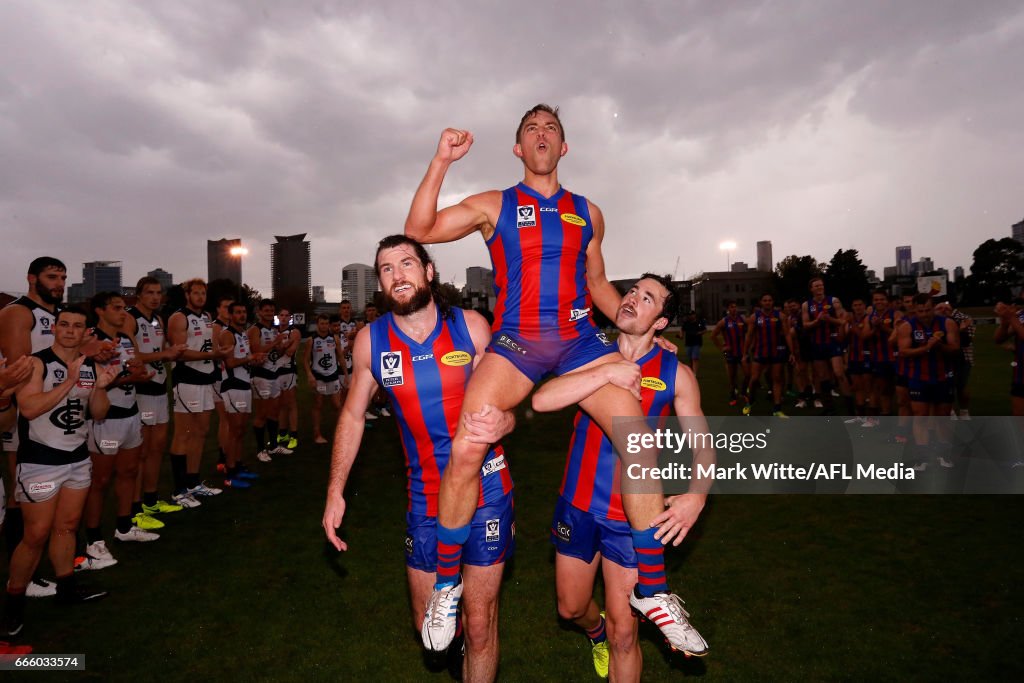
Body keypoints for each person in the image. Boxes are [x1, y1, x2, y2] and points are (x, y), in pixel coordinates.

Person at [405, 104, 689, 653]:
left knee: (637, 435)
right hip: (517, 342)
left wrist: (645, 324)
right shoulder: (497, 204)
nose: (541, 135)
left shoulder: (588, 212)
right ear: (518, 148)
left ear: (564, 147)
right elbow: (420, 228)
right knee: (469, 442)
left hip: (581, 341)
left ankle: (651, 589)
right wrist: (442, 159)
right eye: (530, 129)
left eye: (551, 129)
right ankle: (447, 583)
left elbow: (601, 283)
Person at [323, 236, 516, 681]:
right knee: (428, 626)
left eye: (406, 263)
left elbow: (511, 401)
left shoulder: (471, 326)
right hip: (425, 494)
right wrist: (335, 490)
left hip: (485, 486)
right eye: (386, 269)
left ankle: (474, 651)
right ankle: (459, 647)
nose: (397, 275)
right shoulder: (371, 342)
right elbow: (352, 417)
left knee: (483, 623)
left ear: (429, 271)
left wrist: (504, 422)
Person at [534, 274, 712, 676]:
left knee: (626, 635)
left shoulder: (676, 373)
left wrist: (697, 495)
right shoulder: (589, 353)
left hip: (634, 518)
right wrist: (607, 373)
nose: (633, 298)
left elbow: (703, 443)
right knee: (571, 607)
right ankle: (592, 630)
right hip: (578, 503)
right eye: (633, 290)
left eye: (648, 298)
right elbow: (544, 399)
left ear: (661, 322)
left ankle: (615, 631)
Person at [1, 305, 118, 637]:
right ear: (54, 328)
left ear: (85, 333)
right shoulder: (37, 363)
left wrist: (100, 388)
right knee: (35, 535)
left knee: (67, 527)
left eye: (77, 326)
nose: (70, 330)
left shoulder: (89, 366)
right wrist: (68, 382)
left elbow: (97, 413)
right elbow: (29, 407)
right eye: (64, 324)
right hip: (40, 461)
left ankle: (66, 590)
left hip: (77, 459)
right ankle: (12, 606)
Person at [82, 293, 158, 574]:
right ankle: (93, 540)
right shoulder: (89, 341)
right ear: (100, 311)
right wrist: (129, 377)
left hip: (130, 412)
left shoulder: (126, 338)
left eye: (123, 308)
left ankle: (124, 527)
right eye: (115, 308)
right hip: (105, 419)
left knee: (128, 472)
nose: (122, 312)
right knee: (100, 480)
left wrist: (137, 372)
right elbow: (91, 383)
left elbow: (132, 367)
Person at [124, 277, 188, 515]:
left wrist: (170, 354)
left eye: (158, 292)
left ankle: (150, 500)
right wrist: (166, 354)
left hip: (160, 387)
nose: (155, 297)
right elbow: (132, 356)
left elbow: (161, 353)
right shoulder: (130, 318)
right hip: (142, 391)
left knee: (156, 449)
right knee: (140, 451)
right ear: (139, 294)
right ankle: (135, 506)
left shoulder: (159, 319)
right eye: (149, 292)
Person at [167, 279, 228, 504]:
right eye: (196, 293)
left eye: (203, 293)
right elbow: (179, 353)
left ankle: (193, 483)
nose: (200, 296)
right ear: (187, 295)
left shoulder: (206, 318)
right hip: (187, 381)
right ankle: (179, 490)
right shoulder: (179, 317)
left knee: (201, 431)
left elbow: (210, 348)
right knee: (184, 434)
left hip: (205, 381)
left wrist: (219, 352)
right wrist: (212, 356)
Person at [896, 294, 959, 470]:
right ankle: (922, 457)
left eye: (928, 310)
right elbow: (903, 352)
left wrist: (939, 346)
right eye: (920, 311)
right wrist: (926, 348)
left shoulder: (947, 323)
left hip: (943, 376)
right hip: (918, 377)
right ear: (914, 310)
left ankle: (943, 455)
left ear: (933, 308)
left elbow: (955, 350)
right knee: (920, 416)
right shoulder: (907, 326)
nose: (924, 314)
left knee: (943, 417)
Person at [218, 302, 261, 489]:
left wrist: (255, 360)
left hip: (244, 384)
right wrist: (250, 358)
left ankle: (237, 465)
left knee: (241, 430)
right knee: (235, 430)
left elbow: (244, 360)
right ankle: (229, 472)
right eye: (238, 312)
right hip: (233, 385)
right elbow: (230, 363)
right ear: (230, 315)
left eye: (244, 311)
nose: (242, 315)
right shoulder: (227, 334)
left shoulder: (242, 334)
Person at [801, 277, 852, 413]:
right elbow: (805, 325)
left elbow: (843, 321)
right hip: (817, 344)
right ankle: (829, 408)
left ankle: (850, 407)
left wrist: (830, 319)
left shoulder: (833, 301)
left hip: (833, 342)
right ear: (811, 289)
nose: (819, 288)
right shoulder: (807, 305)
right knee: (823, 378)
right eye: (816, 286)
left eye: (821, 286)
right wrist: (817, 321)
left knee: (839, 373)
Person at [247, 300, 290, 461]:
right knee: (262, 414)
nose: (269, 313)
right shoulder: (254, 329)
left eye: (272, 310)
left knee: (274, 412)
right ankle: (260, 449)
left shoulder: (273, 329)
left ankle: (273, 446)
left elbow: (275, 352)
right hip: (260, 376)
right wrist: (275, 342)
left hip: (274, 374)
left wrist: (283, 346)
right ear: (259, 312)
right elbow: (256, 350)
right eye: (266, 310)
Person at [742, 294, 794, 417]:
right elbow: (749, 336)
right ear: (761, 302)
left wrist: (791, 352)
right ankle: (749, 402)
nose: (767, 302)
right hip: (760, 353)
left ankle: (777, 409)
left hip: (776, 353)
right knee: (754, 379)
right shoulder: (755, 317)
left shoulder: (780, 316)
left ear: (773, 302)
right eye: (765, 300)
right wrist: (744, 353)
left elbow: (787, 334)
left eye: (770, 300)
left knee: (776, 379)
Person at [303, 314, 347, 444]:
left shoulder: (335, 339)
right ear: (317, 324)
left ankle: (340, 432)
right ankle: (317, 434)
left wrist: (345, 375)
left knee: (337, 405)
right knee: (318, 405)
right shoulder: (312, 340)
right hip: (318, 376)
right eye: (321, 323)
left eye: (326, 324)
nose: (324, 326)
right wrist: (310, 375)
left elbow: (340, 357)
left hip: (333, 376)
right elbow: (305, 360)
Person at [709, 300, 748, 406]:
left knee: (748, 374)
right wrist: (722, 347)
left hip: (742, 352)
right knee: (732, 377)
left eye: (735, 307)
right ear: (728, 309)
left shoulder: (743, 320)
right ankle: (733, 396)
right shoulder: (724, 321)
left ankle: (744, 392)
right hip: (730, 353)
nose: (734, 309)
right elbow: (713, 335)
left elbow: (750, 332)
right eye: (731, 307)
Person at [274, 308, 301, 451]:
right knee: (280, 405)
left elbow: (290, 352)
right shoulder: (273, 332)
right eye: (281, 315)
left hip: (288, 371)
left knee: (291, 404)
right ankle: (282, 433)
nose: (284, 318)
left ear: (290, 317)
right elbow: (272, 352)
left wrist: (280, 345)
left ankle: (294, 436)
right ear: (278, 317)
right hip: (275, 371)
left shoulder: (294, 332)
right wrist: (285, 344)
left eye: (286, 315)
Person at [994, 298, 1024, 417]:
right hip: (1021, 375)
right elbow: (998, 339)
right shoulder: (1021, 315)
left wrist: (1011, 317)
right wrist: (1005, 321)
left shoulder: (1016, 317)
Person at [680, 310, 706, 377]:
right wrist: (681, 335)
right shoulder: (686, 323)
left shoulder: (699, 322)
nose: (691, 316)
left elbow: (704, 330)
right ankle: (692, 371)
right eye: (689, 315)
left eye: (692, 314)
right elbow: (682, 329)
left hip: (696, 342)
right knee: (690, 358)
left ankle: (694, 374)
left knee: (695, 358)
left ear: (695, 315)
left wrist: (699, 333)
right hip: (688, 343)